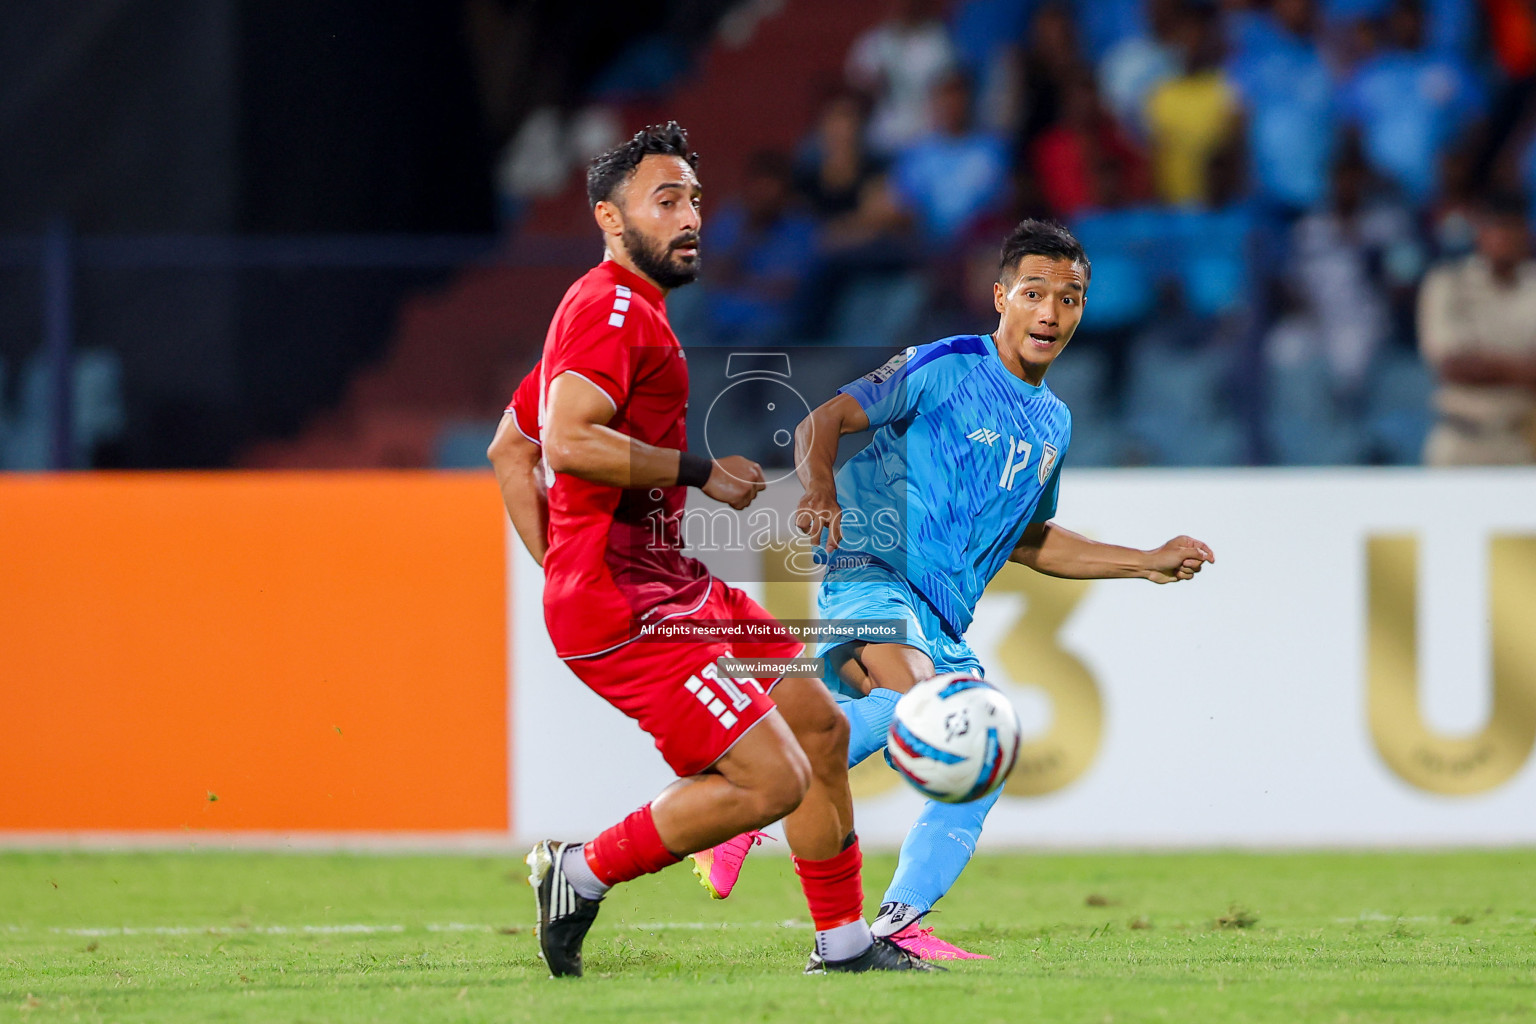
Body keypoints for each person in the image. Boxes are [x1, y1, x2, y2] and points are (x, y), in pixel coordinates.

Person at [693, 220, 1215, 960]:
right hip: (870, 566)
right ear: (1000, 296)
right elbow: (824, 419)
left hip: (940, 612)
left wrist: (1145, 561)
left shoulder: (1054, 424)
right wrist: (820, 493)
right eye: (1034, 294)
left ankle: (895, 923)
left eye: (1070, 299)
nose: (1050, 313)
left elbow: (1030, 538)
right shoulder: (949, 364)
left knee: (982, 752)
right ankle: (749, 801)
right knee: (921, 701)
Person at [486, 123, 935, 976]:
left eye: (693, 198)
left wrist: (563, 565)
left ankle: (843, 946)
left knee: (821, 728)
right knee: (772, 781)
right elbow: (569, 443)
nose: (690, 216)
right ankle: (578, 872)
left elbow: (512, 448)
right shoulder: (610, 310)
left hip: (665, 585)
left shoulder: (615, 310)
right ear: (609, 220)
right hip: (632, 604)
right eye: (665, 201)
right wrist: (694, 475)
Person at [1418, 192, 1536, 465]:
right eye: (1496, 227)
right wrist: (1523, 368)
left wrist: (1484, 362)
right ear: (1480, 233)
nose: (1504, 237)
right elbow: (1451, 367)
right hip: (1461, 441)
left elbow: (1470, 364)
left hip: (1523, 441)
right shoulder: (1448, 283)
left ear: (1526, 233)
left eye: (1512, 228)